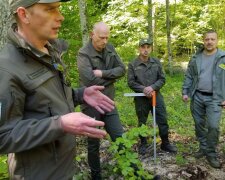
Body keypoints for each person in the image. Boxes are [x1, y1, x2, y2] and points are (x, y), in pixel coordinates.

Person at [0, 1, 116, 179]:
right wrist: (59, 125)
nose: (60, 16)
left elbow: (46, 100)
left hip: (64, 168)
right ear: (24, 15)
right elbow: (4, 136)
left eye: (59, 8)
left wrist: (79, 94)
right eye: (49, 9)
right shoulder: (6, 68)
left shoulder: (50, 51)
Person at [77, 22, 126, 179]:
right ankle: (96, 176)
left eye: (107, 37)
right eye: (101, 37)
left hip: (108, 103)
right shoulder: (83, 54)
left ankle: (134, 171)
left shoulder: (110, 48)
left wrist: (103, 74)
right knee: (93, 144)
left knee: (120, 138)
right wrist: (111, 79)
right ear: (92, 35)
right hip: (91, 106)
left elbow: (122, 69)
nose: (104, 41)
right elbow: (90, 81)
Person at [182, 30, 225, 169]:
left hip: (215, 98)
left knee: (213, 126)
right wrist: (185, 91)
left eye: (212, 39)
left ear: (217, 41)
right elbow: (189, 75)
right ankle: (203, 147)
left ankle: (211, 153)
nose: (209, 42)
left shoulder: (223, 57)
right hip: (198, 96)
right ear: (203, 41)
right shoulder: (196, 57)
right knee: (199, 124)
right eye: (207, 39)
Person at [127, 38, 177, 155]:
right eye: (143, 47)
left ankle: (165, 143)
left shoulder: (156, 62)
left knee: (162, 119)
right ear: (139, 48)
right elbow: (131, 82)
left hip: (156, 96)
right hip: (141, 97)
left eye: (148, 47)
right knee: (142, 121)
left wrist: (153, 87)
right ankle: (143, 143)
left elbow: (162, 79)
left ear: (151, 48)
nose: (145, 50)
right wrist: (143, 89)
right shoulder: (133, 64)